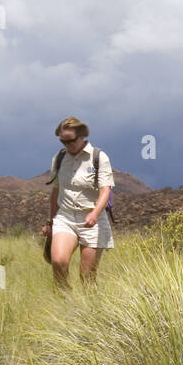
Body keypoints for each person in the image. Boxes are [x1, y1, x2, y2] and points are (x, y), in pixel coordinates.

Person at [40, 116, 114, 286]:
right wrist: (50, 222)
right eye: (63, 142)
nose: (67, 145)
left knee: (87, 276)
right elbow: (56, 191)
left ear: (82, 136)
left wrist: (95, 214)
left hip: (92, 220)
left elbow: (105, 190)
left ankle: (89, 309)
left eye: (71, 140)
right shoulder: (59, 159)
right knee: (58, 262)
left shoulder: (98, 157)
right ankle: (64, 303)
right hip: (65, 218)